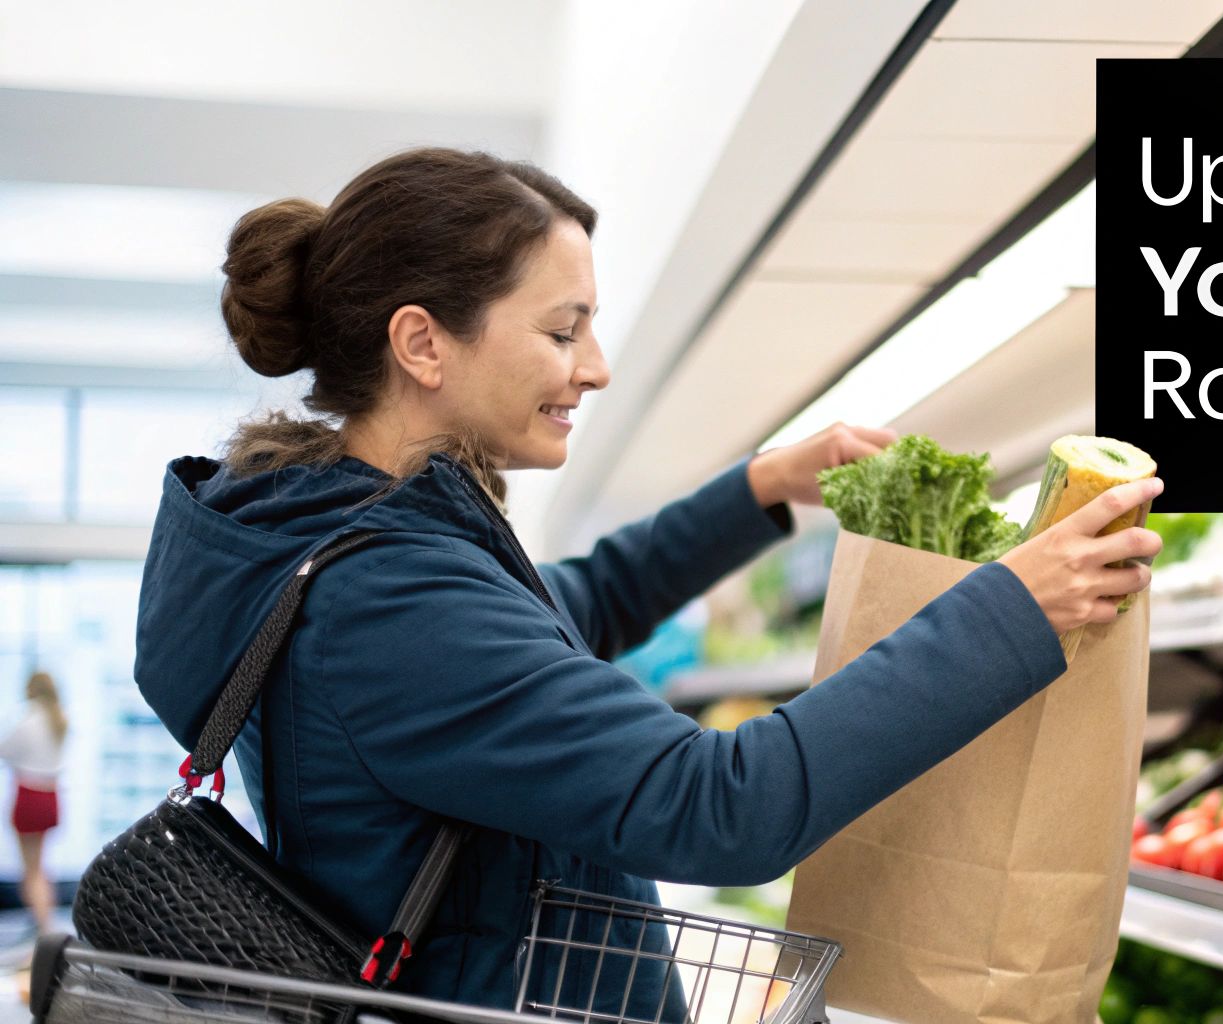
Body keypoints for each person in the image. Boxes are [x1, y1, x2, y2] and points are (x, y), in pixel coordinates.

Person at [132, 147, 1162, 1015]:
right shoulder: (387, 605)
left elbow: (563, 608)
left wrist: (758, 490)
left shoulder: (342, 544)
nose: (595, 366)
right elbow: (722, 805)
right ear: (422, 343)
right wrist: (1010, 610)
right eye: (561, 329)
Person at [0, 672, 66, 936]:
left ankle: (43, 926)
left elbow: (5, 750)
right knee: (40, 864)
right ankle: (42, 918)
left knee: (30, 867)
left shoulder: (29, 720)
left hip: (29, 794)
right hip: (50, 796)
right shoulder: (58, 720)